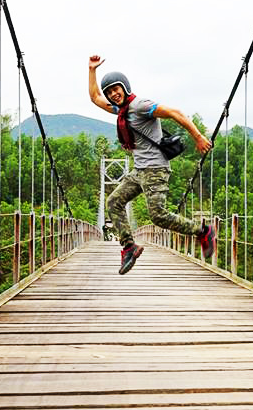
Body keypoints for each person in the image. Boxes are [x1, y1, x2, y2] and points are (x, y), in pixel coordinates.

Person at [88, 54, 217, 274]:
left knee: (158, 216)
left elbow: (174, 112)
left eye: (116, 89)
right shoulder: (121, 110)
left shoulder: (139, 105)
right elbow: (94, 97)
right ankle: (129, 247)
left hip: (156, 169)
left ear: (125, 88)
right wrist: (92, 70)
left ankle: (203, 231)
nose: (112, 94)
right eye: (109, 92)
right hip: (140, 171)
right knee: (113, 202)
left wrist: (197, 136)